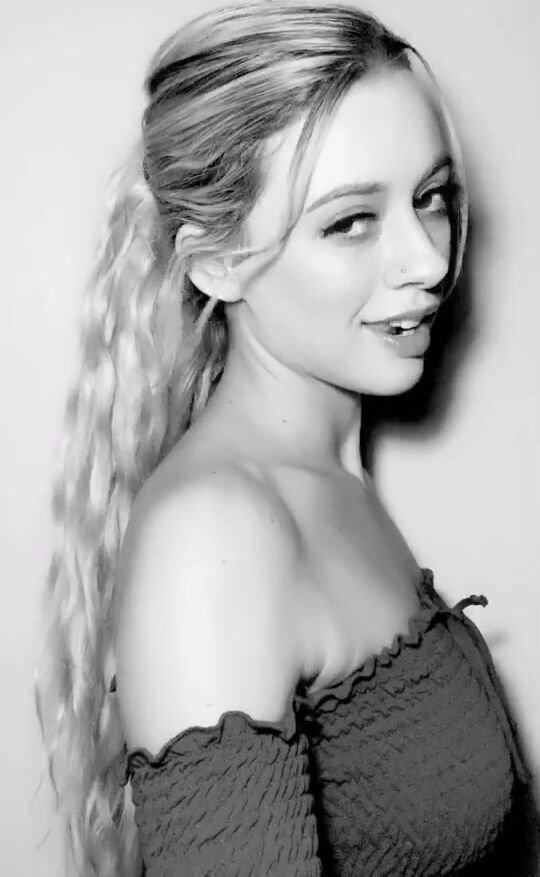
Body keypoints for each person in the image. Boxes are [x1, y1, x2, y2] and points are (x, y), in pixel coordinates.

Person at [33, 2, 539, 875]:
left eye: (430, 198)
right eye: (350, 221)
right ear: (216, 262)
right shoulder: (216, 535)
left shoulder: (328, 476)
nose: (427, 260)